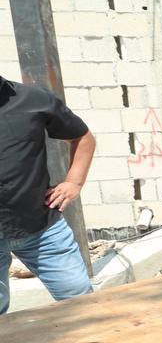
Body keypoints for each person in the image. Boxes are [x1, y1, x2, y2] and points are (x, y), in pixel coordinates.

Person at [1, 74, 96, 316]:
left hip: (42, 231)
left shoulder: (33, 99)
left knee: (81, 304)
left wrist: (74, 182)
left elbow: (83, 138)